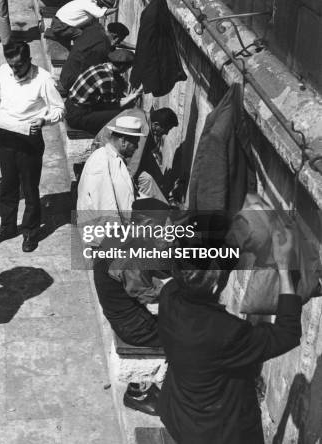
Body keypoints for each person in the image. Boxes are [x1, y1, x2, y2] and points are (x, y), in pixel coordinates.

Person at [157, 226, 302, 444]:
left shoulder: (170, 296)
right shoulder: (225, 332)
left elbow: (211, 268)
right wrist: (283, 266)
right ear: (216, 287)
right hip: (215, 431)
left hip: (179, 411)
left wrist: (244, 234)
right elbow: (287, 332)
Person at [0, 41, 64, 252]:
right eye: (11, 65)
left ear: (28, 60)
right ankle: (7, 227)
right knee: (8, 185)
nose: (15, 70)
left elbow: (59, 109)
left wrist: (44, 121)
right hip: (6, 135)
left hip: (29, 139)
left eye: (18, 66)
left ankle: (30, 232)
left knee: (29, 188)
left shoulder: (43, 79)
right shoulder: (4, 71)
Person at [93, 198, 171, 415]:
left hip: (122, 312)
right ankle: (137, 394)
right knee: (192, 334)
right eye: (162, 227)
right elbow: (153, 302)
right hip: (134, 327)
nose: (166, 232)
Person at [77, 116, 146, 233]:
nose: (137, 147)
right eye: (135, 143)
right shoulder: (101, 160)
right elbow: (104, 203)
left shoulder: (115, 158)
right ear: (123, 141)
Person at [65, 49, 142, 135]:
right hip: (77, 117)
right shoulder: (107, 79)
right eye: (128, 67)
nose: (127, 70)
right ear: (122, 67)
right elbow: (113, 105)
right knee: (120, 115)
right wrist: (133, 96)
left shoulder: (100, 67)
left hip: (69, 106)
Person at [60, 22, 130, 93]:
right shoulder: (102, 48)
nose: (118, 43)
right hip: (72, 82)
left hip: (66, 74)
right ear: (115, 37)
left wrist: (134, 46)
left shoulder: (94, 29)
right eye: (120, 40)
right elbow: (97, 72)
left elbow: (115, 43)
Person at [135, 107, 179, 202]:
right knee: (147, 180)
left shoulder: (146, 120)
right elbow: (133, 166)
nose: (166, 133)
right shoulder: (144, 132)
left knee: (157, 177)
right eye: (166, 129)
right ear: (156, 125)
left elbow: (145, 157)